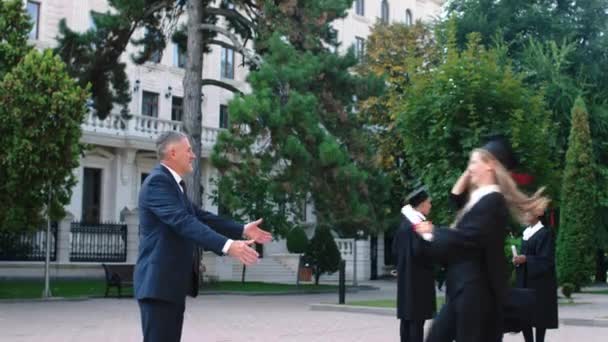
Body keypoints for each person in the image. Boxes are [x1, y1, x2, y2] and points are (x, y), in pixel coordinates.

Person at [134, 131, 273, 342]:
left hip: (168, 286)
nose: (193, 155)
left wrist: (242, 229)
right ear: (172, 153)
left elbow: (200, 216)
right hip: (158, 285)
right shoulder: (157, 182)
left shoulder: (173, 185)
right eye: (188, 150)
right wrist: (228, 246)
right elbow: (184, 222)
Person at [414, 136, 549, 342]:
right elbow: (456, 197)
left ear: (490, 166)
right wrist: (472, 167)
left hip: (475, 294)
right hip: (462, 289)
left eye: (474, 162)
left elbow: (468, 238)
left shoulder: (493, 202)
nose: (469, 168)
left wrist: (434, 232)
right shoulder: (478, 200)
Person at [392, 186, 436, 342]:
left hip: (405, 280)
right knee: (417, 323)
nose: (430, 206)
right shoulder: (419, 225)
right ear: (422, 204)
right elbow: (421, 251)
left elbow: (395, 250)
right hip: (419, 281)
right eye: (429, 203)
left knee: (406, 321)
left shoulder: (403, 224)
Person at [513, 211, 558, 342]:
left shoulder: (545, 233)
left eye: (528, 213)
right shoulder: (526, 233)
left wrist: (526, 259)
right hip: (525, 281)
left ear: (538, 213)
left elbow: (546, 260)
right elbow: (524, 257)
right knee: (525, 315)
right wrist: (518, 260)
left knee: (539, 318)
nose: (525, 215)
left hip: (540, 283)